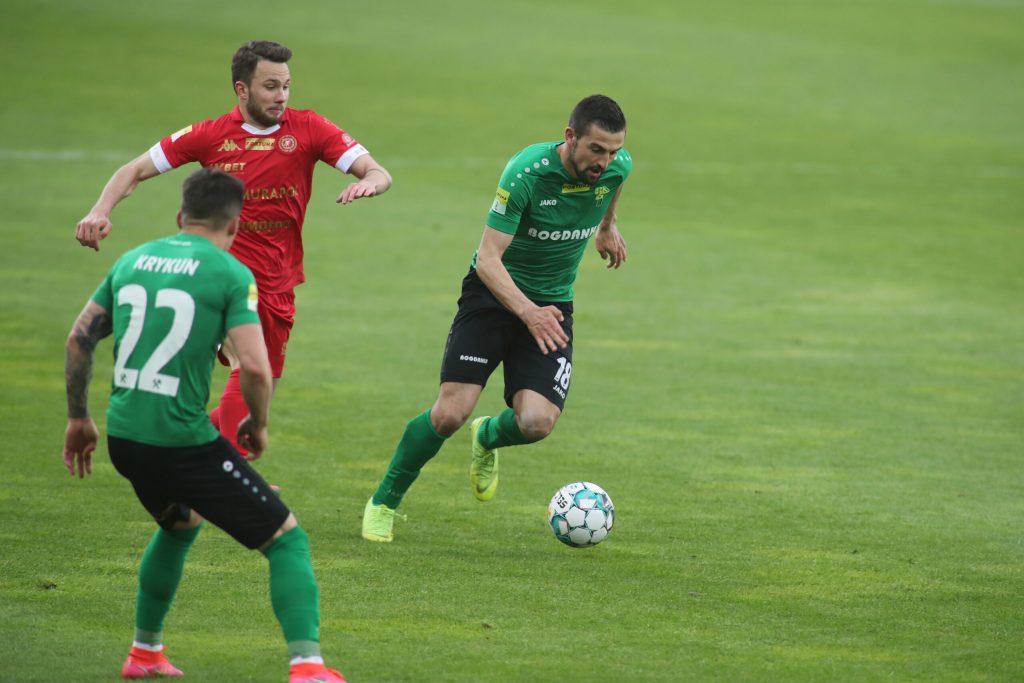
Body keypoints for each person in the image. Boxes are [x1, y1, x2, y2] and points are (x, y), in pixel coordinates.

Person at [63, 168, 347, 683]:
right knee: (287, 540)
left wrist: (79, 417)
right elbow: (255, 368)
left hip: (125, 437)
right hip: (181, 442)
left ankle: (144, 653)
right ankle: (307, 667)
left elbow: (79, 338)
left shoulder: (132, 261)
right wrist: (258, 424)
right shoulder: (230, 273)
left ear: (180, 216)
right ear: (235, 226)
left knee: (180, 524)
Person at [75, 39, 392, 460]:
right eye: (270, 87)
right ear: (242, 89)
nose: (281, 96)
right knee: (248, 370)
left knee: (259, 389)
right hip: (220, 277)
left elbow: (377, 170)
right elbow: (134, 170)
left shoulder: (309, 128)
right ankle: (225, 478)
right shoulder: (210, 135)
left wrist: (369, 182)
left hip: (276, 282)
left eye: (286, 86)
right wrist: (100, 210)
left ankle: (192, 461)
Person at [361, 95, 632, 542]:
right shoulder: (526, 173)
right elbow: (488, 259)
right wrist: (527, 313)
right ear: (570, 137)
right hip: (493, 297)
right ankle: (384, 502)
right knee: (449, 413)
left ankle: (487, 436)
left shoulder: (617, 167)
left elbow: (614, 183)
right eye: (596, 150)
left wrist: (607, 226)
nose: (605, 162)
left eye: (613, 151)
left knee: (537, 423)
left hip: (551, 305)